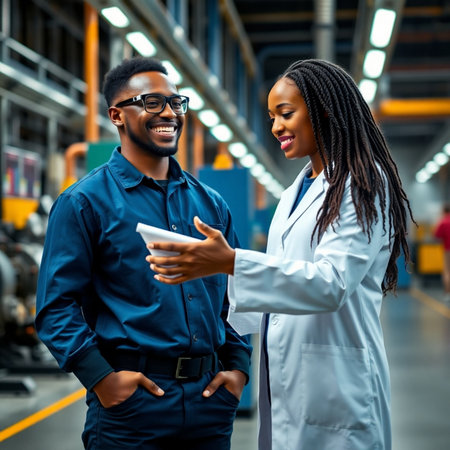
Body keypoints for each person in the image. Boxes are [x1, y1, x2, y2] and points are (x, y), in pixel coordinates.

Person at [146, 59, 415, 450]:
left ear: (323, 110)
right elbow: (281, 284)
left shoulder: (361, 182)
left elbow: (331, 283)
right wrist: (208, 286)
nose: (276, 128)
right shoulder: (295, 192)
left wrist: (232, 262)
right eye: (272, 116)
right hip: (287, 374)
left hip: (337, 383)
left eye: (286, 114)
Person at [35, 57, 252, 450]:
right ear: (117, 115)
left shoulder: (212, 204)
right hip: (132, 410)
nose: (169, 113)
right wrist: (101, 378)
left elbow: (233, 296)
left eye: (175, 102)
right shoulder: (84, 203)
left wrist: (238, 367)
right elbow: (56, 307)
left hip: (210, 404)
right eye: (152, 102)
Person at [434, 203, 450, 302]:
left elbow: (436, 235)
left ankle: (448, 293)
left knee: (447, 272)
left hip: (447, 250)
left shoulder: (443, 222)